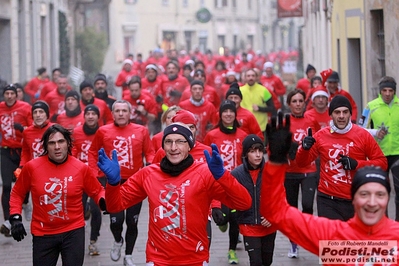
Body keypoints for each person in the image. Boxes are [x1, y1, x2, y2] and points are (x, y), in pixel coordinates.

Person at [97, 122, 252, 265]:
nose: (173, 147)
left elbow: (244, 203)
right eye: (168, 141)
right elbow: (114, 205)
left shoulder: (204, 173)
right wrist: (112, 183)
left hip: (194, 258)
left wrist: (223, 176)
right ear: (162, 145)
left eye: (180, 141)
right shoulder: (148, 174)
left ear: (189, 146)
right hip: (158, 259)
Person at [260, 113, 399, 266]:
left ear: (387, 199)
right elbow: (276, 213)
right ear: (354, 198)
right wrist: (276, 162)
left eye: (379, 194)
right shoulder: (333, 234)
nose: (372, 202)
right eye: (364, 194)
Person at [8, 124, 106, 266]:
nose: (57, 147)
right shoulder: (32, 167)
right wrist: (15, 218)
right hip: (43, 232)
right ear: (46, 147)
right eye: (52, 143)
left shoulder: (80, 168)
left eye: (61, 142)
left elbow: (97, 191)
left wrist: (104, 202)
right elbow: (17, 192)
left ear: (68, 143)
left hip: (73, 231)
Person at [296, 95, 387, 221]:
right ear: (331, 115)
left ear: (350, 114)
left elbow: (382, 163)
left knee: (354, 240)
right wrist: (304, 149)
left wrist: (357, 164)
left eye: (345, 112)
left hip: (356, 199)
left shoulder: (363, 135)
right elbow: (302, 163)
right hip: (328, 200)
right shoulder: (321, 136)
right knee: (331, 240)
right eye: (337, 112)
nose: (341, 116)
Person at [88, 100, 154, 266]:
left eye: (124, 110)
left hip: (135, 183)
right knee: (115, 221)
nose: (121, 114)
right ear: (112, 114)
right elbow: (92, 152)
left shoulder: (142, 131)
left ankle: (129, 255)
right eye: (117, 111)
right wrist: (94, 174)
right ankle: (118, 241)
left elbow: (150, 153)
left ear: (130, 113)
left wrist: (151, 169)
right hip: (113, 183)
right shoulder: (103, 131)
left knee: (132, 221)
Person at [204, 99, 248, 264]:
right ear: (220, 115)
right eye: (225, 111)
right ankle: (223, 223)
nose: (228, 114)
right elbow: (205, 157)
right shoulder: (212, 135)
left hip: (236, 183)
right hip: (217, 183)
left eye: (231, 111)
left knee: (235, 219)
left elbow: (247, 159)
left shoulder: (242, 135)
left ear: (235, 115)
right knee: (223, 218)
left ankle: (231, 250)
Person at [284, 89, 319, 258]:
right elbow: (273, 147)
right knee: (291, 209)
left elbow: (319, 142)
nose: (298, 104)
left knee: (307, 205)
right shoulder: (284, 122)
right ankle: (293, 243)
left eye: (300, 101)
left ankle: (307, 233)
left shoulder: (312, 120)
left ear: (304, 103)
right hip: (290, 172)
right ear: (289, 104)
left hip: (309, 170)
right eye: (294, 101)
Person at [231, 135, 277, 266]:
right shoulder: (237, 174)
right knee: (256, 262)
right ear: (245, 154)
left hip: (269, 225)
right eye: (252, 151)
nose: (257, 155)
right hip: (248, 225)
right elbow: (225, 193)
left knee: (267, 262)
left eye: (260, 151)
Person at [359, 76, 399, 221]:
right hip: (378, 154)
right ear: (380, 91)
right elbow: (361, 129)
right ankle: (384, 222)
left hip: (397, 153)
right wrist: (375, 132)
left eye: (391, 91)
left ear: (394, 91)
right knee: (381, 190)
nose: (387, 94)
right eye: (384, 90)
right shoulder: (371, 106)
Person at [0, 84, 32, 237]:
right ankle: (7, 221)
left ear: (17, 95)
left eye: (12, 93)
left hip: (22, 151)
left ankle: (25, 203)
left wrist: (23, 128)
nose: (10, 96)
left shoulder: (25, 108)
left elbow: (33, 127)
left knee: (22, 183)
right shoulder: (0, 108)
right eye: (7, 93)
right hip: (6, 151)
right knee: (6, 186)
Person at [72, 104, 104, 256]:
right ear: (84, 117)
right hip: (79, 176)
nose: (91, 116)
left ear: (98, 117)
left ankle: (93, 241)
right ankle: (76, 240)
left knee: (96, 209)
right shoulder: (77, 132)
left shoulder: (104, 132)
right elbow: (72, 152)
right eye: (88, 114)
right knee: (78, 209)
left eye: (94, 114)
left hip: (98, 176)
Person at [240, 68, 275, 133]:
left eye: (253, 76)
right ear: (245, 77)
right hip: (244, 126)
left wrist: (259, 108)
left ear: (256, 77)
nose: (251, 78)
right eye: (248, 76)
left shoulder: (264, 90)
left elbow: (271, 107)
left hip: (260, 127)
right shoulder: (240, 90)